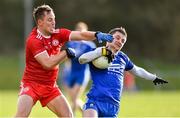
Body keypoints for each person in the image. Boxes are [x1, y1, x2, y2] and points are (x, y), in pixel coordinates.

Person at [15, 5, 113, 117]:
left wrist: (96, 34)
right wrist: (65, 53)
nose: (53, 22)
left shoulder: (59, 34)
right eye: (49, 20)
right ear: (40, 22)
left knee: (68, 116)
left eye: (54, 19)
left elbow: (81, 35)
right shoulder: (34, 40)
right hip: (31, 84)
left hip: (50, 86)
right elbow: (47, 64)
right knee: (21, 115)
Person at [79, 27, 168, 117]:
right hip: (95, 101)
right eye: (117, 38)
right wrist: (102, 51)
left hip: (113, 106)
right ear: (108, 37)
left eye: (123, 41)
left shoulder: (123, 58)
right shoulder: (97, 52)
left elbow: (137, 70)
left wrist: (153, 78)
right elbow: (82, 59)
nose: (120, 42)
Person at [62, 22, 96, 115]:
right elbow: (67, 58)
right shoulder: (71, 44)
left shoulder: (90, 45)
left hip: (82, 73)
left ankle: (72, 115)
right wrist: (65, 70)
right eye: (78, 30)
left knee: (75, 97)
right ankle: (87, 113)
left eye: (82, 31)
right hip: (71, 73)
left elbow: (93, 60)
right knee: (73, 99)